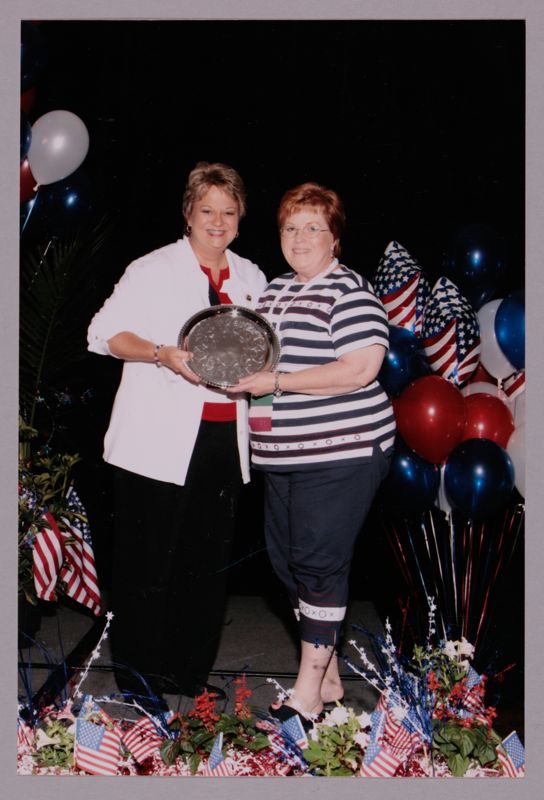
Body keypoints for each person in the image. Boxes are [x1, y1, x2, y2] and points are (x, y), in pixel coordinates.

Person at [87, 162, 268, 708]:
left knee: (204, 564)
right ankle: (141, 681)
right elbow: (103, 333)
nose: (218, 221)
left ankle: (187, 676)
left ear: (240, 219)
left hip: (222, 441)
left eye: (228, 211)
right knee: (147, 565)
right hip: (154, 442)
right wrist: (161, 354)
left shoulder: (252, 276)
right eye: (207, 209)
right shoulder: (151, 268)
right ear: (188, 213)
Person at [231, 182, 396, 725]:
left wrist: (278, 378)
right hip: (282, 456)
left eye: (313, 228)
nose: (300, 238)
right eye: (290, 228)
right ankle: (326, 679)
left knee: (319, 565)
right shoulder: (274, 291)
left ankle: (304, 697)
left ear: (335, 239)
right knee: (287, 566)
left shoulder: (350, 291)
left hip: (342, 451)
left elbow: (359, 369)